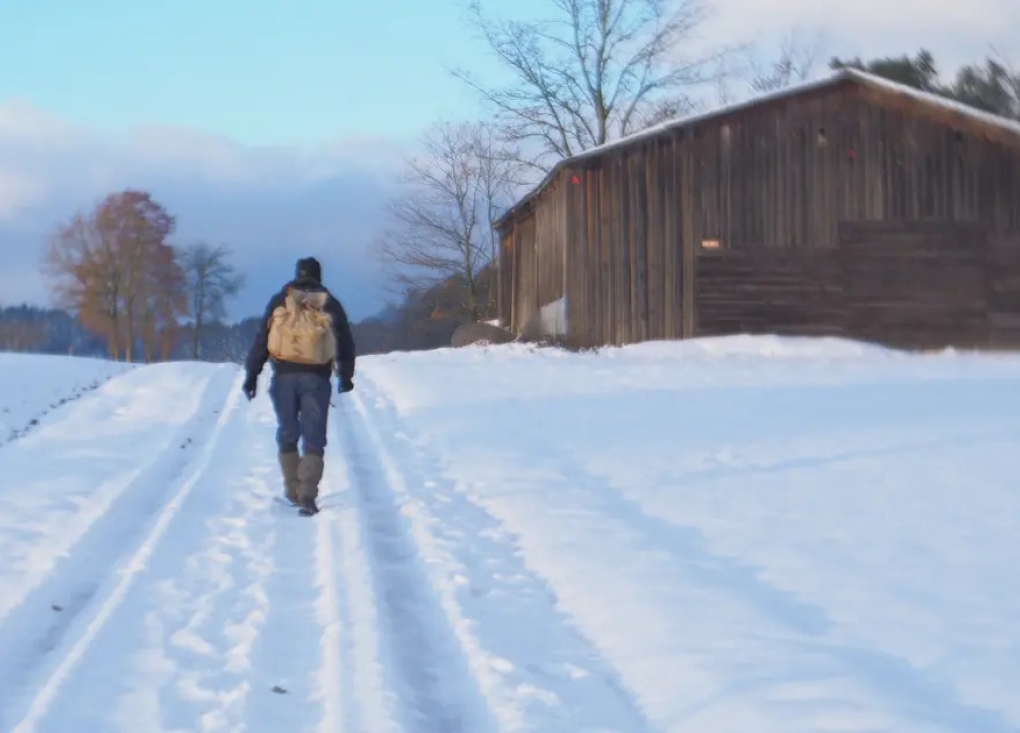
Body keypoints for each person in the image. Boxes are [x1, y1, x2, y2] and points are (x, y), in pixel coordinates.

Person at [243, 257, 356, 515]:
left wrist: (252, 374)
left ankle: (292, 488)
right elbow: (345, 342)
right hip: (316, 378)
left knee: (288, 430)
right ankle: (307, 493)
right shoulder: (330, 303)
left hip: (283, 376)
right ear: (319, 275)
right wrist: (346, 375)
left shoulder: (281, 299)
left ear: (297, 274)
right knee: (314, 434)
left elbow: (263, 338)